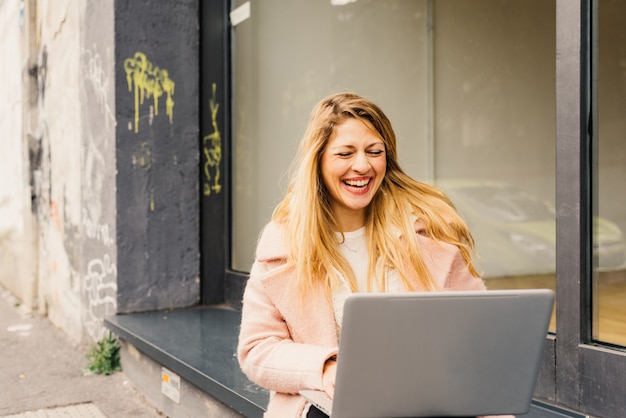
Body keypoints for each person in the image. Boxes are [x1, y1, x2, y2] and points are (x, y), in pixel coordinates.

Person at [237, 92, 509, 418]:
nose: (362, 166)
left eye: (374, 152)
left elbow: (476, 336)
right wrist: (325, 370)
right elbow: (258, 349)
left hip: (426, 406)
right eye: (345, 153)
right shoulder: (283, 245)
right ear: (319, 160)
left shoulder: (429, 235)